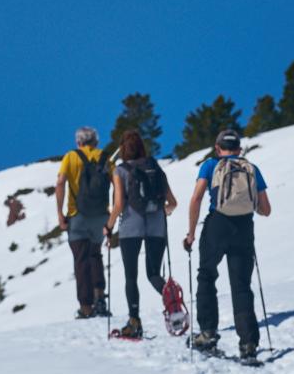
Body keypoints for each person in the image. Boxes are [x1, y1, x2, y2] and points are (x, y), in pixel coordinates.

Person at [184, 128, 271, 360]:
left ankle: (207, 333)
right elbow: (266, 209)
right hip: (244, 228)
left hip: (217, 225)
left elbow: (196, 198)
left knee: (207, 275)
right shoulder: (252, 169)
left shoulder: (210, 165)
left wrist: (191, 234)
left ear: (217, 147)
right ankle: (248, 343)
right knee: (241, 285)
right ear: (239, 149)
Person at [104, 130, 177, 338]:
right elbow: (172, 203)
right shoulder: (155, 166)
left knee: (131, 276)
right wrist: (160, 211)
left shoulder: (120, 171)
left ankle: (134, 322)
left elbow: (118, 205)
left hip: (130, 226)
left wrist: (108, 227)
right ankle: (173, 303)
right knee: (153, 274)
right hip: (157, 226)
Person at [56, 126, 112, 318]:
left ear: (78, 142)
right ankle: (100, 299)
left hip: (77, 215)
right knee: (95, 255)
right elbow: (116, 183)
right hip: (101, 216)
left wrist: (60, 213)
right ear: (95, 141)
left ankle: (86, 307)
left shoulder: (71, 157)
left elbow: (60, 183)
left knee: (81, 260)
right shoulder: (104, 156)